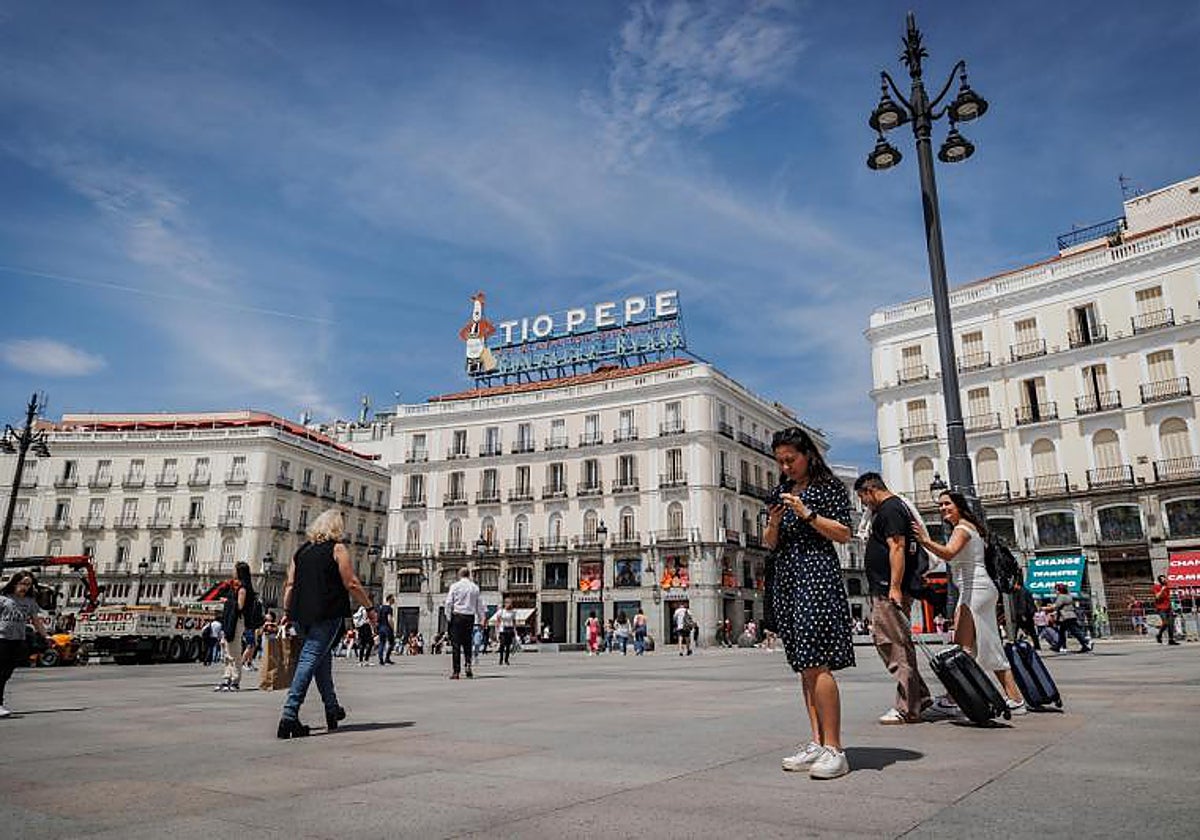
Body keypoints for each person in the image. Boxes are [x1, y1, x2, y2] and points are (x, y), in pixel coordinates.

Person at [766, 427, 856, 780]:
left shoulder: (828, 488)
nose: (786, 467)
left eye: (791, 459)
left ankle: (835, 748)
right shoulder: (780, 491)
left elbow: (844, 533)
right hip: (787, 576)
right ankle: (817, 742)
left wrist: (807, 513)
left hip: (816, 572)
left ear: (808, 455)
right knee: (804, 662)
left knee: (817, 659)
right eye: (780, 461)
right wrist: (773, 522)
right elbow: (770, 543)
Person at [914, 491, 1027, 715]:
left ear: (959, 506)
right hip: (976, 590)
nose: (942, 508)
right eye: (940, 505)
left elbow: (948, 553)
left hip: (974, 590)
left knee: (968, 647)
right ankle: (996, 697)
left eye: (947, 504)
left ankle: (962, 698)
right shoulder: (970, 528)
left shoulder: (962, 529)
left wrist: (924, 541)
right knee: (972, 647)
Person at [277, 509, 376, 738]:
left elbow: (290, 584)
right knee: (310, 658)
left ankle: (332, 709)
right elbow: (351, 582)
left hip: (301, 614)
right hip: (326, 612)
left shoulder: (301, 551)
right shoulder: (337, 549)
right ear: (336, 527)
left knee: (322, 660)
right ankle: (289, 716)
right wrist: (369, 608)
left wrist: (286, 611)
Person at [853, 472, 937, 725]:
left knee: (893, 643)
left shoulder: (889, 509)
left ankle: (908, 706)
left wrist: (895, 586)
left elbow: (897, 547)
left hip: (888, 588)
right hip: (886, 586)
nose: (863, 504)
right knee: (892, 640)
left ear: (870, 490)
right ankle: (918, 696)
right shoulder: (895, 507)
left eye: (862, 498)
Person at [1, 571, 49, 718]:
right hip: (1, 638)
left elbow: (36, 620)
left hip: (17, 640)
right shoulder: (4, 599)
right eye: (22, 583)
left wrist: (46, 636)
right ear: (14, 583)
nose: (25, 587)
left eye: (28, 584)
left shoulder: (29, 602)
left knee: (6, 673)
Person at [215, 562, 256, 692]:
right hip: (229, 621)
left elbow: (239, 606)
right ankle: (227, 678)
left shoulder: (243, 588)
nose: (232, 571)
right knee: (227, 651)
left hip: (237, 621)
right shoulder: (234, 587)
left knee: (235, 651)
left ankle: (235, 680)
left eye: (234, 569)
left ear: (239, 572)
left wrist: (227, 601)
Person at [445, 567, 486, 679]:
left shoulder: (455, 586)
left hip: (457, 616)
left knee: (456, 645)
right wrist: (482, 619)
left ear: (459, 575)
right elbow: (480, 605)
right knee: (468, 643)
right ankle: (468, 665)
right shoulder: (474, 587)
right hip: (469, 617)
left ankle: (456, 672)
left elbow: (448, 603)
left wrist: (449, 617)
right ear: (469, 575)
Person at [1043, 584, 1092, 653]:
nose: (1055, 591)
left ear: (1060, 590)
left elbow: (1055, 606)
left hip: (1066, 617)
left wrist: (1043, 608)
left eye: (1056, 589)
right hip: (1068, 616)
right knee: (1062, 632)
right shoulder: (1068, 595)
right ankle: (1059, 646)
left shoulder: (1061, 597)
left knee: (1074, 631)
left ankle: (1086, 641)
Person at [1011, 578, 1040, 650]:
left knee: (1030, 630)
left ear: (1017, 584)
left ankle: (1036, 646)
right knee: (1029, 630)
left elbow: (1023, 603)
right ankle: (1037, 645)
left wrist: (1022, 614)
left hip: (1025, 615)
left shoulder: (1022, 592)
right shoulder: (1022, 591)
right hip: (1025, 614)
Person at [1152, 575, 1180, 645]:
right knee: (1165, 623)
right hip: (1161, 608)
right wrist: (1162, 589)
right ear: (1160, 581)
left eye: (1165, 579)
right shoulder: (1156, 587)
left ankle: (1171, 640)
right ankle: (1159, 635)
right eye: (1162, 579)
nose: (1164, 580)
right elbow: (1157, 597)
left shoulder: (1167, 587)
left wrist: (1172, 607)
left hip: (1169, 608)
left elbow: (1168, 598)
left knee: (1171, 624)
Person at [495, 597, 517, 665]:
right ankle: (501, 659)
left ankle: (506, 659)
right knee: (502, 645)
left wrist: (515, 630)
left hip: (509, 629)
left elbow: (514, 621)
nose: (509, 604)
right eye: (507, 603)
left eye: (510, 603)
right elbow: (498, 621)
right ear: (505, 603)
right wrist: (497, 631)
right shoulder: (501, 611)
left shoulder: (513, 612)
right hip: (502, 630)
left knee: (508, 646)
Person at [377, 595, 396, 664]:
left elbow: (378, 619)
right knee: (392, 643)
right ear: (390, 599)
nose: (394, 600)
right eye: (393, 599)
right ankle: (387, 658)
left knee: (382, 643)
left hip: (381, 627)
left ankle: (381, 659)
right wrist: (393, 627)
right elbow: (389, 619)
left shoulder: (381, 608)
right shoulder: (389, 608)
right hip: (387, 627)